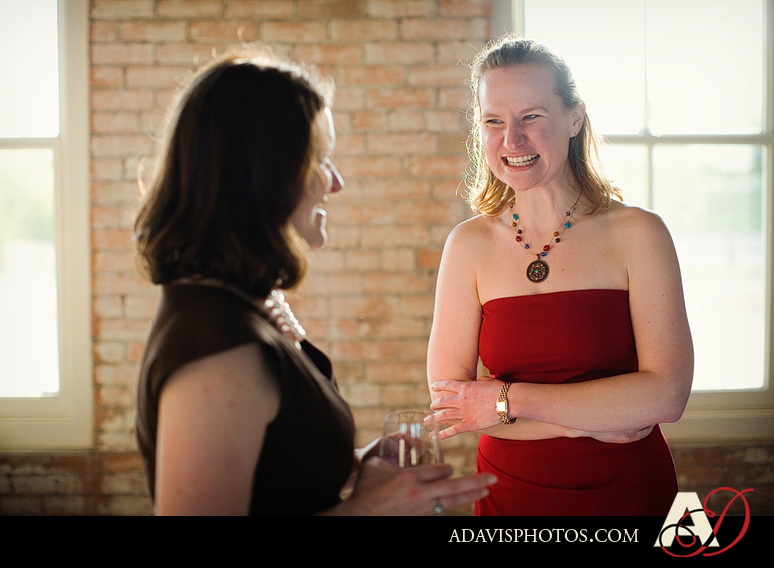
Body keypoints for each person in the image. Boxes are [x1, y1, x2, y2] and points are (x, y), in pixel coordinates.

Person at [133, 47, 496, 516]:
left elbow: (271, 472)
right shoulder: (219, 347)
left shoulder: (246, 300)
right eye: (321, 159)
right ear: (264, 173)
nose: (336, 182)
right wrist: (369, 509)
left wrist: (358, 463)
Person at [426, 36, 693, 516]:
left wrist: (506, 401)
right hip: (508, 500)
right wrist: (583, 421)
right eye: (493, 121)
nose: (512, 140)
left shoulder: (639, 233)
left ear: (575, 118)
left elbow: (667, 395)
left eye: (531, 117)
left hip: (632, 497)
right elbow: (452, 405)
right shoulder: (467, 245)